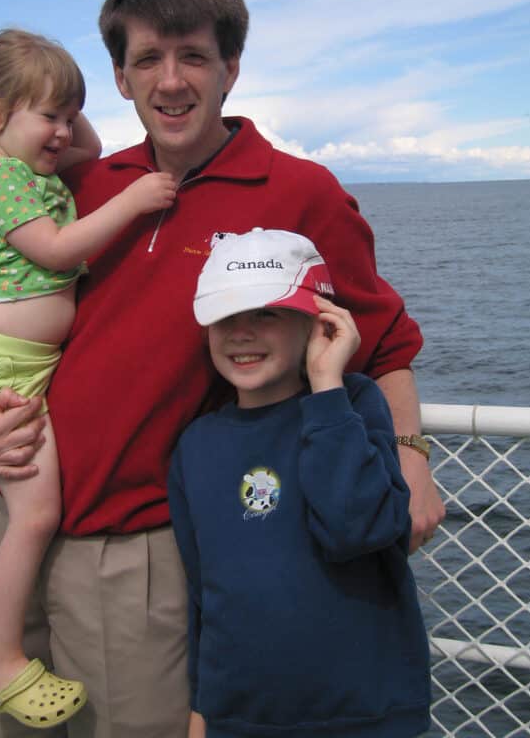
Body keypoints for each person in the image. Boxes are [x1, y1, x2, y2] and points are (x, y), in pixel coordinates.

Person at [0, 0, 444, 738]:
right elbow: (4, 307)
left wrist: (410, 457)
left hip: (136, 546)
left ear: (231, 67)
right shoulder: (87, 185)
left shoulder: (298, 190)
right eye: (146, 60)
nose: (170, 82)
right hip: (10, 508)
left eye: (193, 56)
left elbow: (381, 338)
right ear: (120, 77)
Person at [0, 29, 176, 728]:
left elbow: (94, 148)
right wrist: (133, 203)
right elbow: (54, 248)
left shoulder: (32, 167)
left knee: (35, 512)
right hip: (2, 370)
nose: (64, 132)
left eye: (68, 115)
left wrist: (57, 102)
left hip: (25, 369)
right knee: (37, 513)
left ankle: (2, 654)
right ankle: (0, 661)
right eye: (49, 117)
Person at [168, 228, 431, 738]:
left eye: (265, 313)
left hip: (367, 713)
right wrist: (203, 709)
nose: (241, 333)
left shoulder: (352, 406)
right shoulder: (195, 446)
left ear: (318, 321)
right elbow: (204, 592)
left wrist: (327, 387)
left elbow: (356, 528)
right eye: (225, 317)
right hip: (239, 716)